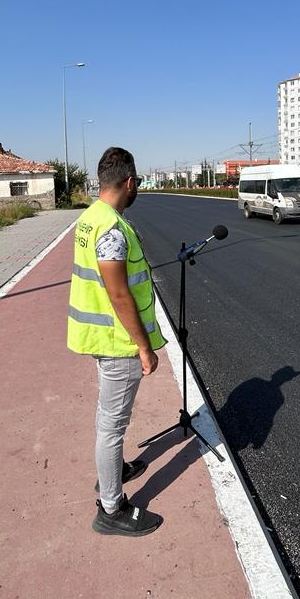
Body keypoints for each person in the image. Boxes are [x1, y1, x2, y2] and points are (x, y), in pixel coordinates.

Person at [67, 146, 167, 537]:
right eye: (138, 182)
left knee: (107, 418)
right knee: (112, 425)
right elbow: (119, 294)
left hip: (99, 335)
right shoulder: (111, 229)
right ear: (128, 183)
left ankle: (113, 470)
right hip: (117, 342)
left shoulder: (91, 218)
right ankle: (111, 507)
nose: (137, 187)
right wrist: (143, 346)